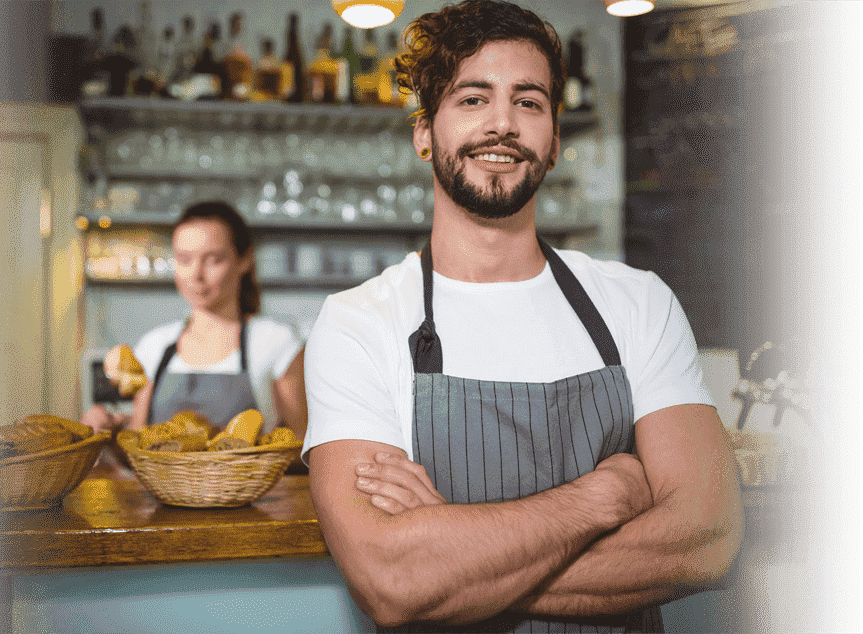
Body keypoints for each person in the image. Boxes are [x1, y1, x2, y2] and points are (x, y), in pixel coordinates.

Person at [301, 1, 743, 632]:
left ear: (555, 139)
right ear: (424, 131)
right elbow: (394, 581)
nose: (503, 124)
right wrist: (603, 497)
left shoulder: (637, 302)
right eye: (473, 99)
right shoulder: (357, 324)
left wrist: (454, 557)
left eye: (530, 102)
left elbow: (707, 537)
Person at [83, 201, 308, 460]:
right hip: (168, 497)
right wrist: (107, 435)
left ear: (245, 261)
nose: (196, 275)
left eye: (213, 259)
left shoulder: (275, 342)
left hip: (248, 497)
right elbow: (138, 452)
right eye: (185, 259)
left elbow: (303, 448)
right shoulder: (155, 346)